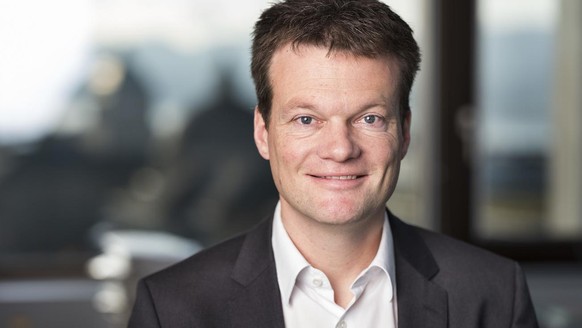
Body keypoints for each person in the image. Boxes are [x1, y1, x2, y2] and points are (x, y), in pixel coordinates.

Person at [128, 0, 539, 327]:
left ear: (405, 132)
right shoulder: (173, 309)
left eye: (369, 119)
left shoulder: (494, 294)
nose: (340, 149)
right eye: (307, 119)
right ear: (262, 132)